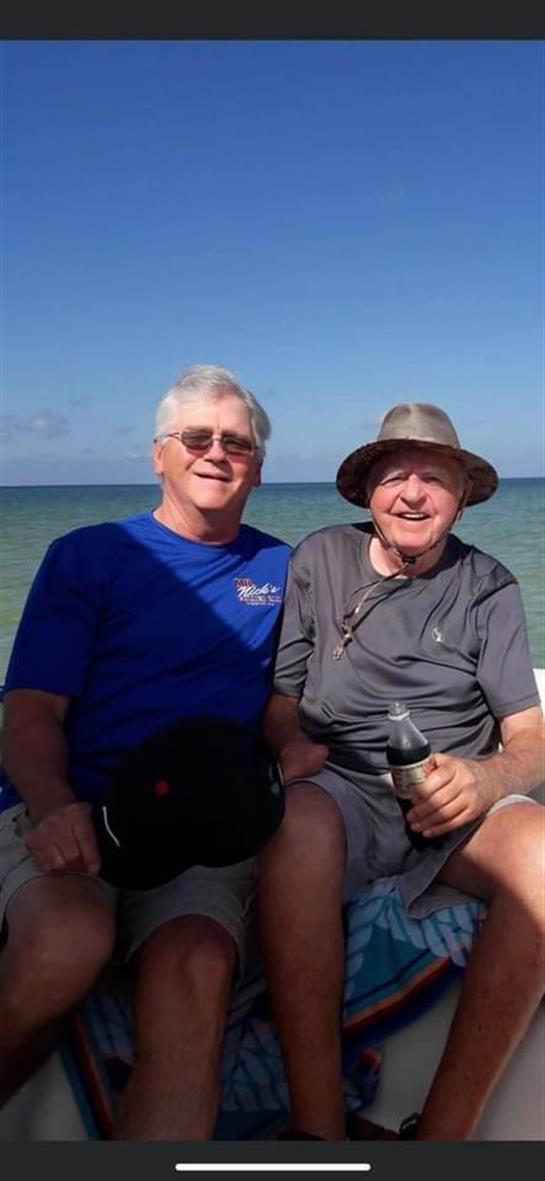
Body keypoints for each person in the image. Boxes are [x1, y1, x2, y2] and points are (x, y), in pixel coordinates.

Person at [0, 364, 291, 1139]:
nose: (216, 452)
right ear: (158, 453)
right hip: (73, 809)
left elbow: (295, 700)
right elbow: (29, 711)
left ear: (258, 468)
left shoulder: (284, 570)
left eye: (236, 441)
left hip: (194, 839)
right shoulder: (89, 555)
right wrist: (55, 805)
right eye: (196, 436)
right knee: (71, 938)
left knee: (197, 963)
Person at [258, 402, 545, 1141]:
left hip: (453, 806)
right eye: (395, 475)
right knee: (292, 829)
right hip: (340, 788)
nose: (412, 493)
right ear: (367, 491)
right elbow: (282, 699)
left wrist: (482, 781)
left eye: (433, 477)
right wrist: (290, 745)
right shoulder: (318, 558)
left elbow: (529, 735)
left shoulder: (489, 585)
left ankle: (442, 1135)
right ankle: (319, 1134)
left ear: (459, 495)